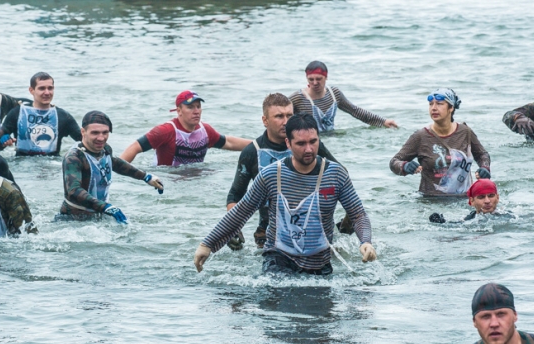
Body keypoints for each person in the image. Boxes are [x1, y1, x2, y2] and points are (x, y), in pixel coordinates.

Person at [194, 114, 377, 276]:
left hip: (319, 261)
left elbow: (357, 213)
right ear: (288, 143)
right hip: (278, 259)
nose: (308, 149)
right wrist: (207, 245)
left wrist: (365, 241)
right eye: (300, 143)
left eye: (313, 142)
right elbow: (242, 211)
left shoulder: (336, 174)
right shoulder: (271, 175)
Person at [225, 93, 338, 249]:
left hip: (314, 229)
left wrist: (350, 216)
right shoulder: (252, 152)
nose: (286, 122)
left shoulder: (309, 146)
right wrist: (233, 227)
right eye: (279, 116)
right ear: (265, 120)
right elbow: (235, 196)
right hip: (268, 233)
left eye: (289, 115)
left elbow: (339, 176)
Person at [59, 111, 164, 223]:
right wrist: (105, 207)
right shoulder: (74, 157)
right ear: (83, 132)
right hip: (73, 221)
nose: (101, 138)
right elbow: (73, 191)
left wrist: (146, 176)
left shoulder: (105, 149)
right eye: (95, 133)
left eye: (105, 133)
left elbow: (114, 162)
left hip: (99, 216)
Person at [390, 88, 491, 197]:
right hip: (430, 200)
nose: (433, 108)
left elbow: (482, 154)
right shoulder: (420, 136)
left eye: (439, 104)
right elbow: (394, 161)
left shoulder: (465, 132)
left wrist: (484, 168)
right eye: (430, 104)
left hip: (463, 198)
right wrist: (405, 166)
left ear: (451, 108)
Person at [119, 90, 250, 166]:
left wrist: (261, 145)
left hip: (195, 180)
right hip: (168, 180)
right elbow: (135, 147)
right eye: (190, 107)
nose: (196, 111)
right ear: (179, 110)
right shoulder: (166, 131)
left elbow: (228, 142)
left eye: (198, 106)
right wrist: (117, 171)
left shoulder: (205, 131)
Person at [289, 61, 397, 132]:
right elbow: (283, 119)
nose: (315, 83)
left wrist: (382, 121)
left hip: (332, 138)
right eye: (311, 79)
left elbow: (354, 111)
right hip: (308, 142)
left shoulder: (334, 94)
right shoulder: (298, 98)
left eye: (319, 79)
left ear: (326, 78)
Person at [0, 72, 82, 156]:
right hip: (23, 165)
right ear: (31, 90)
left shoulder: (63, 116)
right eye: (42, 88)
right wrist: (3, 142)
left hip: (52, 165)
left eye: (50, 88)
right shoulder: (18, 113)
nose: (47, 92)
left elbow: (83, 140)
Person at [429, 179, 512, 224]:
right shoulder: (468, 220)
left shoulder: (510, 217)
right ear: (472, 201)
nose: (487, 201)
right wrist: (442, 223)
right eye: (481, 197)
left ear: (497, 198)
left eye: (491, 196)